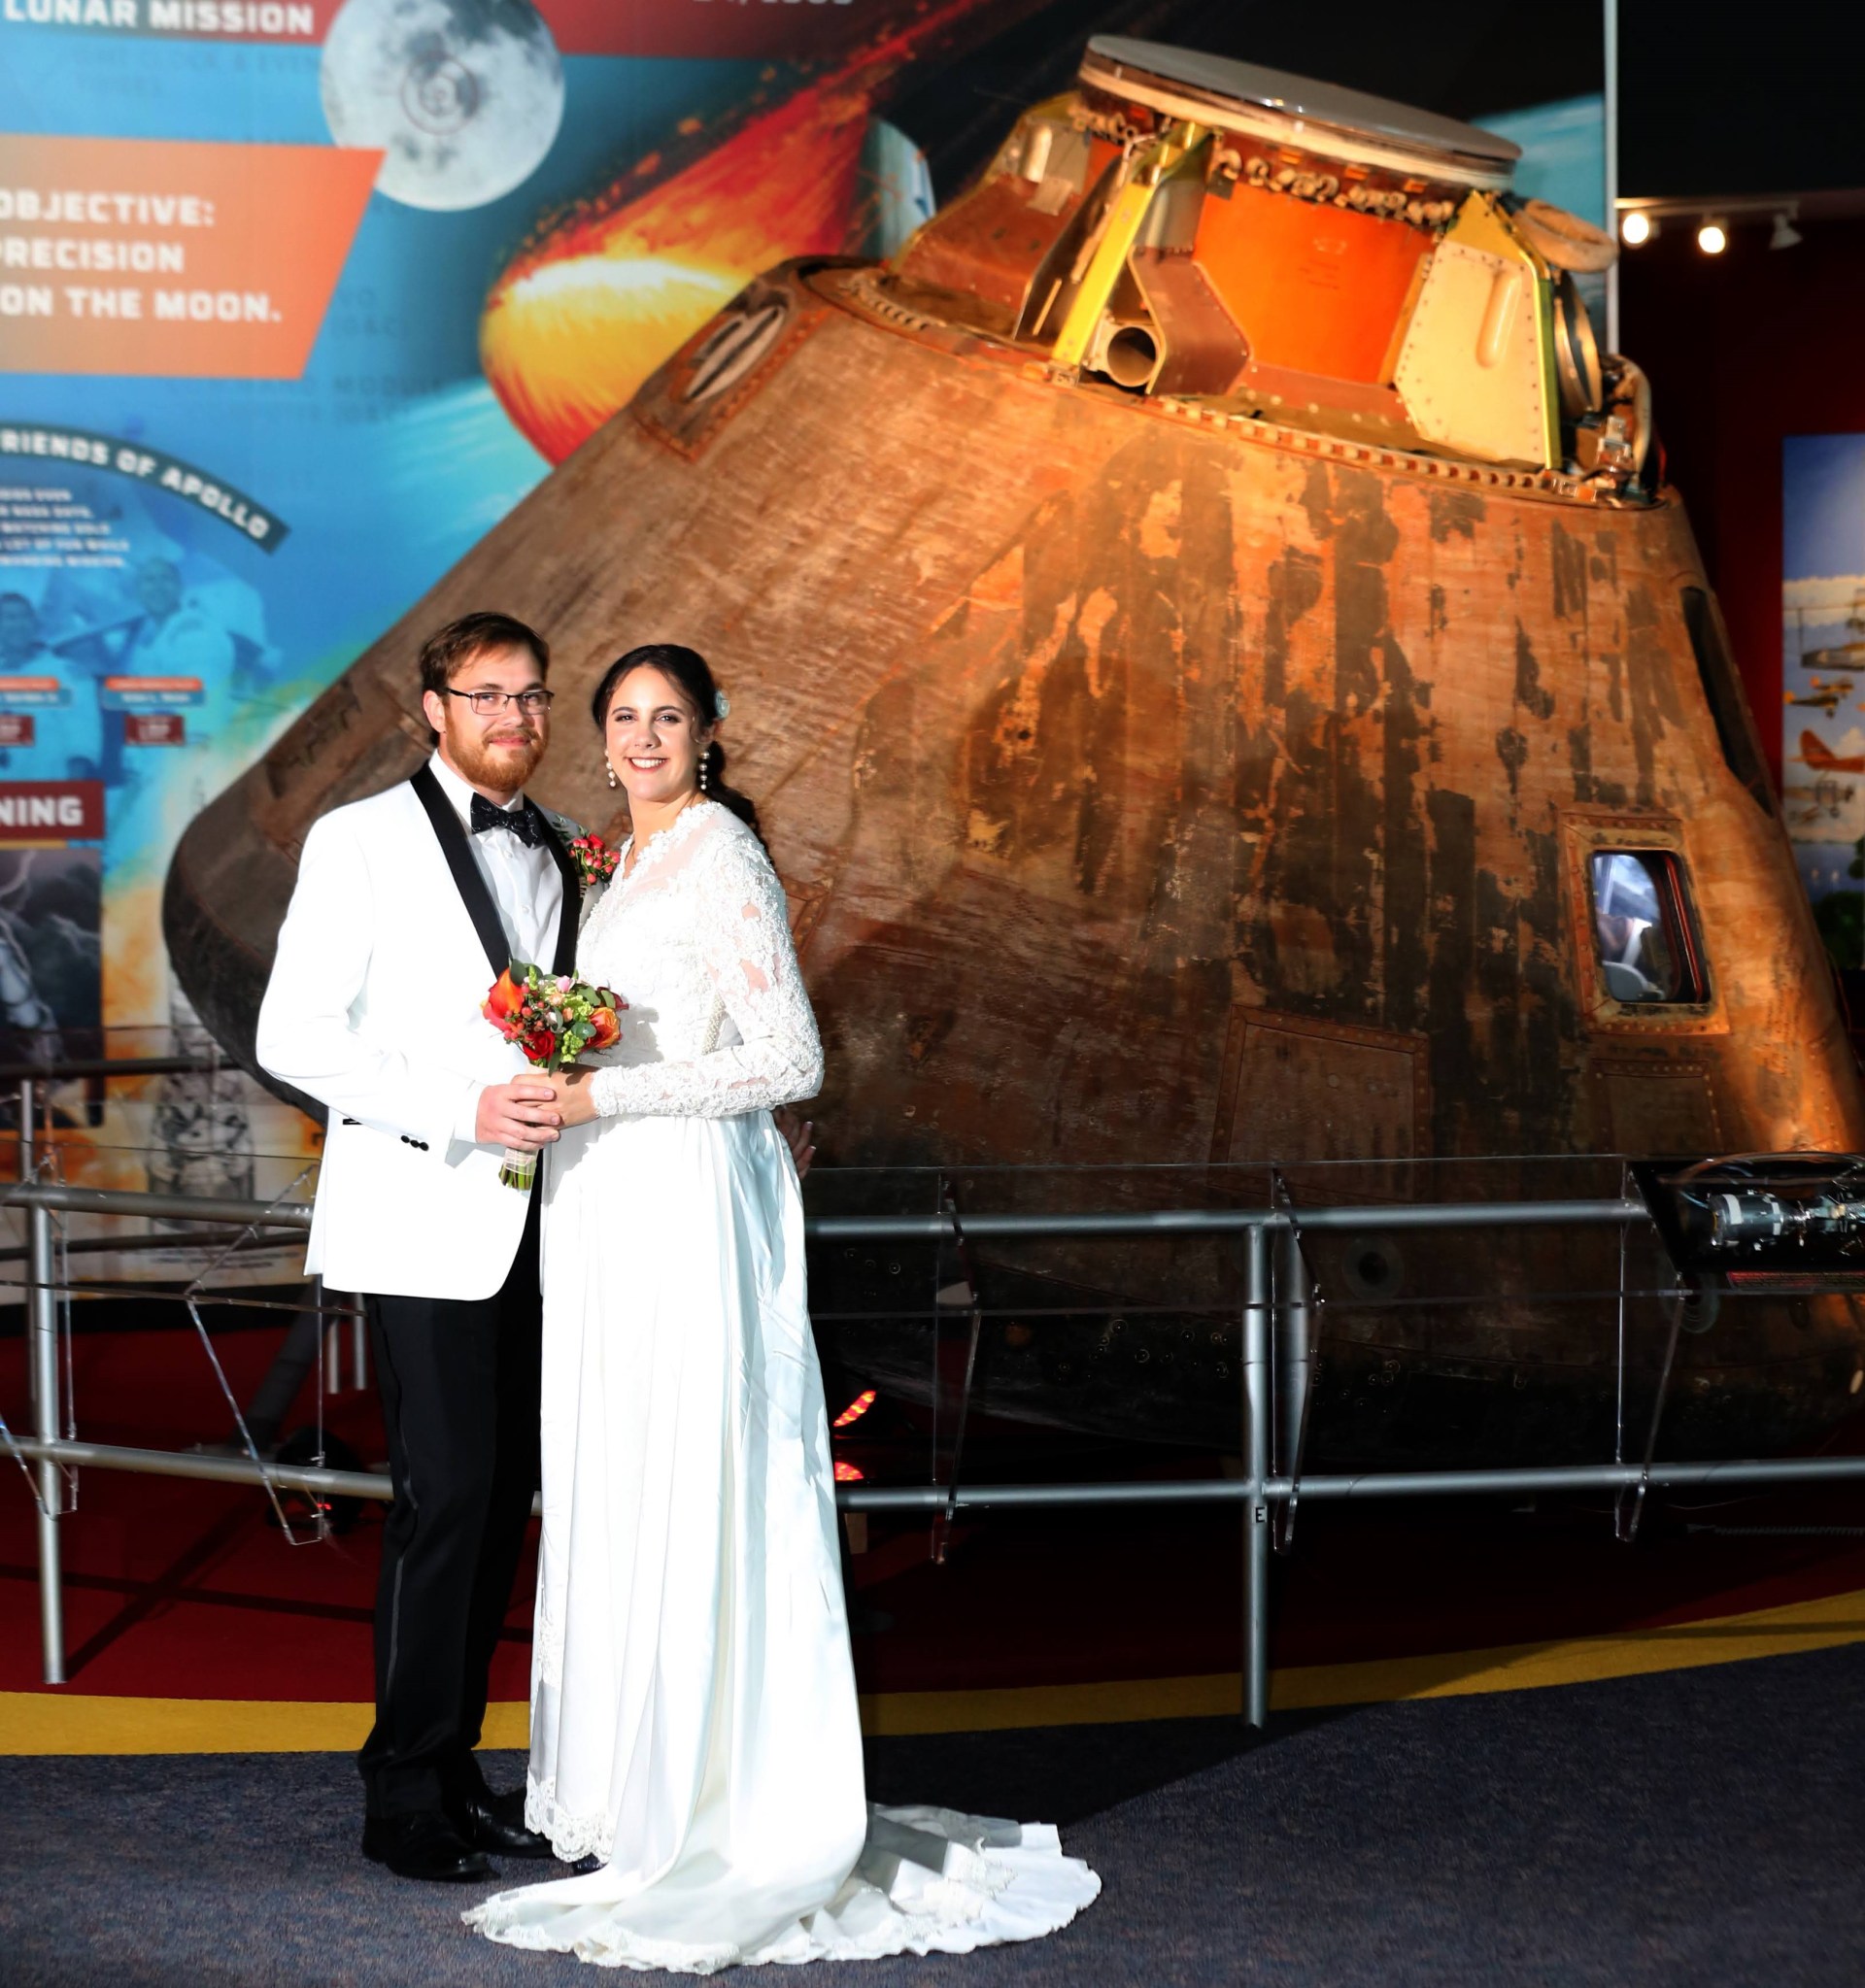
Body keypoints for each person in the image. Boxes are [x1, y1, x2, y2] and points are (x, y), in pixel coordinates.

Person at [464, 644, 1098, 1969]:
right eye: (624, 719)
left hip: (683, 1201)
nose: (643, 738)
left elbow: (789, 1057)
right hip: (605, 1207)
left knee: (697, 1474)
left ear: (711, 732)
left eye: (669, 719)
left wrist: (605, 1094)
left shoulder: (721, 854)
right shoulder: (620, 861)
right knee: (622, 1473)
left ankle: (722, 1801)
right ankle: (646, 1792)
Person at [255, 611, 584, 1883]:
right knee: (443, 1503)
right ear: (432, 708)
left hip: (541, 1231)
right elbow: (297, 1032)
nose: (515, 716)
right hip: (419, 1218)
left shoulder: (559, 850)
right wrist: (459, 1108)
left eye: (533, 696)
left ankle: (456, 1768)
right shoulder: (360, 840)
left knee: (500, 1508)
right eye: (487, 694)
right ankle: (399, 1790)